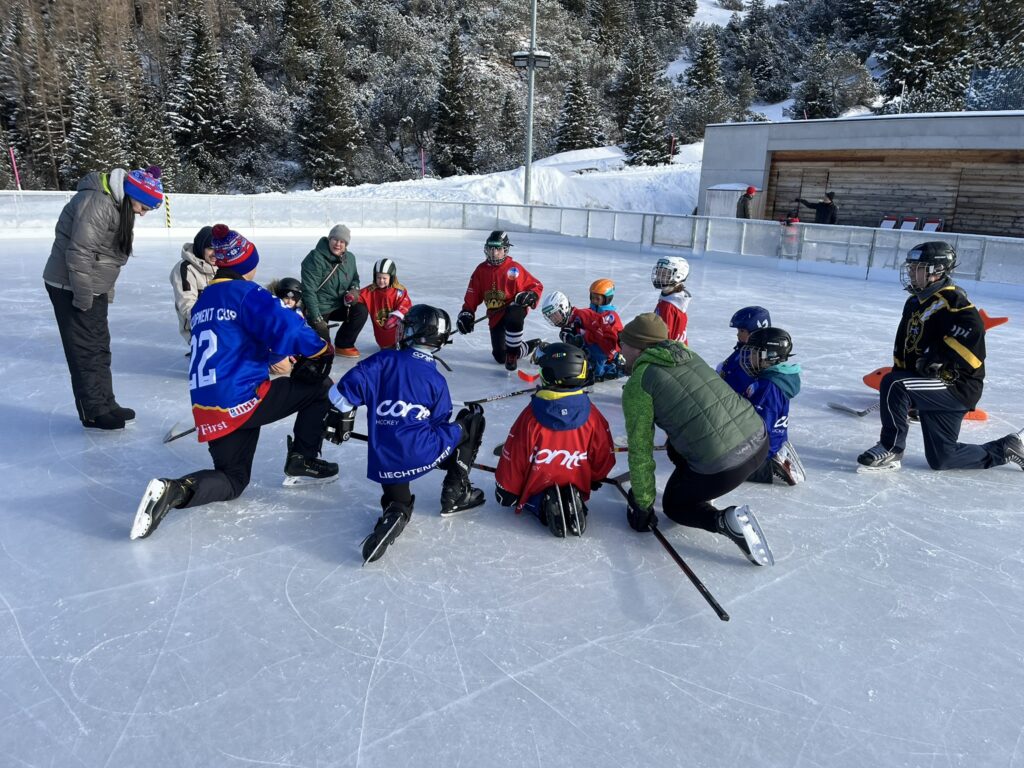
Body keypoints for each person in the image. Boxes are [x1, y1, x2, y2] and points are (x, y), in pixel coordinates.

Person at [131, 225, 339, 540]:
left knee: (233, 479)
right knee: (320, 387)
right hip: (243, 397)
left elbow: (241, 341)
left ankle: (174, 490)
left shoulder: (204, 301)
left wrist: (279, 355)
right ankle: (303, 460)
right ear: (245, 264)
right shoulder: (245, 293)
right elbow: (287, 326)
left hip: (208, 407)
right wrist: (322, 349)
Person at [324, 305, 487, 562]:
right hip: (421, 453)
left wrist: (344, 419)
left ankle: (396, 513)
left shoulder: (382, 361)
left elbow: (339, 394)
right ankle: (456, 494)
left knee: (398, 501)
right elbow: (439, 423)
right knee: (470, 421)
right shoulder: (436, 380)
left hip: (383, 460)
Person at [618, 313, 774, 566]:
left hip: (724, 467)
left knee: (674, 506)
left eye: (623, 342)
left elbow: (640, 448)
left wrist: (643, 504)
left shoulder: (640, 382)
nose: (620, 349)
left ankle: (724, 521)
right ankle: (701, 486)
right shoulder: (686, 354)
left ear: (640, 346)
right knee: (674, 446)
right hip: (759, 438)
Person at [857, 242, 1024, 472]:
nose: (911, 273)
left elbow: (974, 330)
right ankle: (1005, 448)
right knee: (943, 459)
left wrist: (937, 356)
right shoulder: (915, 301)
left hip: (955, 385)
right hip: (932, 387)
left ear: (937, 271)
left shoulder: (953, 301)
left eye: (918, 268)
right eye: (911, 267)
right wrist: (906, 391)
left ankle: (891, 449)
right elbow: (905, 345)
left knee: (894, 384)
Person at [44, 165, 163, 430]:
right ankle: (94, 412)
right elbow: (80, 254)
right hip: (70, 286)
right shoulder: (97, 202)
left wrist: (103, 289)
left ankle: (106, 403)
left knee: (99, 346)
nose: (142, 213)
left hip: (89, 285)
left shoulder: (115, 203)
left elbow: (107, 255)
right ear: (132, 193)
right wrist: (85, 297)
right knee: (84, 350)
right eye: (143, 206)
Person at [494, 343, 616, 537]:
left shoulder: (531, 416)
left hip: (538, 480)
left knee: (532, 492)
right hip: (577, 477)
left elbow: (514, 455)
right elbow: (603, 452)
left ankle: (540, 502)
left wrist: (507, 489)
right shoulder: (593, 415)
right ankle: (570, 497)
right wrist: (597, 476)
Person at [456, 230, 544, 371]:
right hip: (495, 315)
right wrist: (467, 313)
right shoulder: (481, 270)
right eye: (491, 248)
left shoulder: (514, 268)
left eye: (498, 249)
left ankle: (512, 353)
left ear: (505, 250)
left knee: (514, 311)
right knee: (499, 356)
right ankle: (527, 347)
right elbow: (472, 295)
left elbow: (536, 285)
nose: (494, 253)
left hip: (513, 310)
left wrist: (531, 295)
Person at [730, 327, 805, 486]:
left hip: (761, 452)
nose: (749, 356)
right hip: (766, 445)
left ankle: (771, 468)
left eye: (754, 352)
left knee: (717, 467)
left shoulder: (768, 387)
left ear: (769, 355)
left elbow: (760, 428)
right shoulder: (768, 379)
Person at [300, 224, 368, 357]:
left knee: (360, 311)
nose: (338, 244)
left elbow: (355, 278)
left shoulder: (350, 258)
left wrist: (354, 291)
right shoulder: (315, 258)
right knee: (324, 352)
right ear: (329, 239)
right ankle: (319, 335)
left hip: (339, 305)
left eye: (342, 241)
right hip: (318, 307)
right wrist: (317, 320)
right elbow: (309, 291)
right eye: (335, 239)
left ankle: (344, 344)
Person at [539, 282, 624, 381]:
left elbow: (604, 337)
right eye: (551, 317)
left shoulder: (582, 315)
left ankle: (612, 370)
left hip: (603, 358)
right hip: (589, 357)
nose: (555, 320)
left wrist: (615, 355)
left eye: (556, 315)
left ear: (564, 307)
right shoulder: (567, 326)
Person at [170, 226, 217, 347]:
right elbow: (187, 306)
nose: (215, 253)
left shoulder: (222, 266)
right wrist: (216, 320)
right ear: (201, 247)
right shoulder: (185, 269)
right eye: (210, 248)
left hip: (221, 323)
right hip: (198, 328)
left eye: (219, 248)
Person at [357, 258, 413, 349]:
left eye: (384, 278)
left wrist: (396, 317)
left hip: (398, 334)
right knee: (386, 348)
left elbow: (406, 305)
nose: (381, 281)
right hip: (382, 336)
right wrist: (351, 297)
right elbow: (359, 296)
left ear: (391, 277)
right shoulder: (371, 290)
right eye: (378, 277)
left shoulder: (399, 291)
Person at [717, 305, 772, 394]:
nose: (738, 335)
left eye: (742, 331)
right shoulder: (742, 348)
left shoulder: (761, 357)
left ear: (756, 332)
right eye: (738, 331)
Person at [651, 256, 692, 344]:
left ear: (679, 276)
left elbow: (664, 339)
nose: (659, 277)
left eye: (664, 275)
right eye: (658, 273)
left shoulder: (669, 306)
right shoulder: (670, 298)